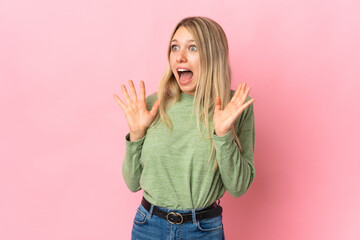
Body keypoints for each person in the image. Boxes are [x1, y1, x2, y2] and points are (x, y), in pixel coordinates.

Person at [114, 16, 255, 240]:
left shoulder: (235, 106)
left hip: (203, 230)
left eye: (192, 47)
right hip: (148, 226)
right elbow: (132, 183)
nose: (180, 57)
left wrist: (223, 134)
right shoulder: (152, 105)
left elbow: (238, 187)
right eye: (174, 47)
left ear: (212, 54)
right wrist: (136, 134)